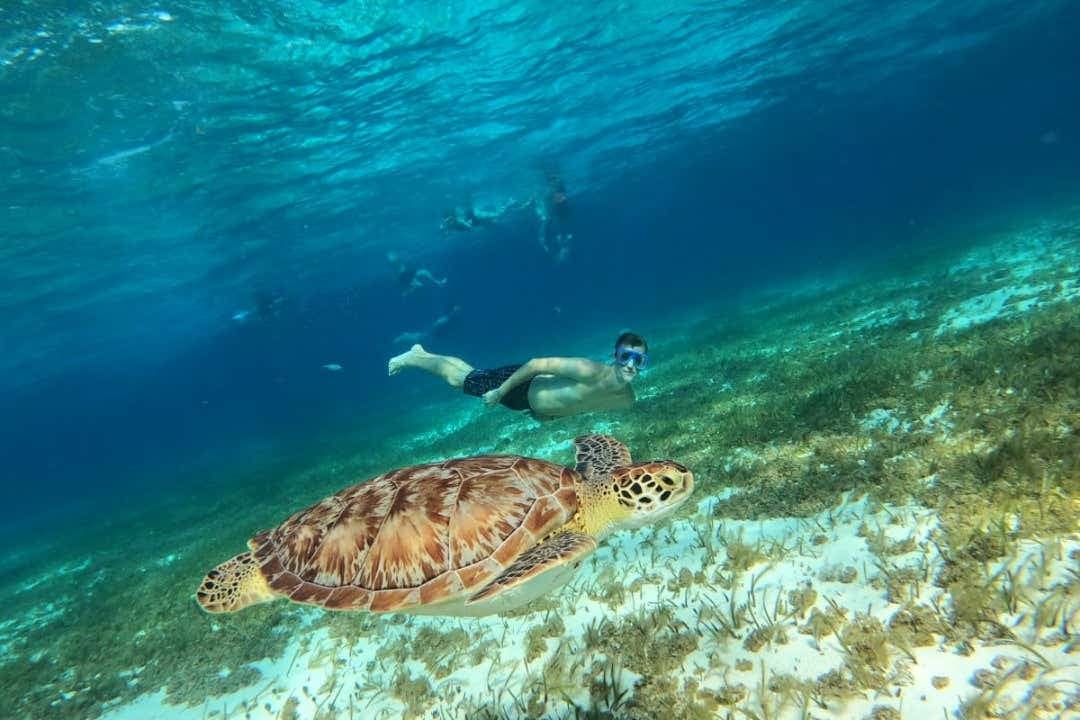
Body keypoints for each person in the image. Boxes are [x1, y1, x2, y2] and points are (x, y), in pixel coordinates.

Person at [387, 332, 649, 420]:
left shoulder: (626, 400)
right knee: (460, 380)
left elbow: (583, 404)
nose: (630, 364)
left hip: (526, 405)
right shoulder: (590, 370)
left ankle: (421, 353)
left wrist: (551, 416)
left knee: (468, 374)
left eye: (638, 360)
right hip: (520, 384)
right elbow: (537, 363)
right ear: (615, 355)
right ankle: (415, 357)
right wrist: (500, 391)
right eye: (626, 356)